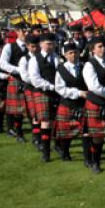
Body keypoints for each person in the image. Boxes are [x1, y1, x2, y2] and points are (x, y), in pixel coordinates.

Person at [82, 37, 105, 173]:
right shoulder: (89, 65)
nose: (103, 49)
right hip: (96, 102)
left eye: (104, 46)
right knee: (98, 136)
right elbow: (94, 86)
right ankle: (95, 162)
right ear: (92, 49)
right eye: (100, 47)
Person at [28, 33, 61, 161]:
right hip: (42, 92)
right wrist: (52, 86)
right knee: (45, 122)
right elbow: (35, 80)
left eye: (53, 44)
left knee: (55, 122)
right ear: (41, 44)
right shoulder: (34, 59)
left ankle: (57, 146)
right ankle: (46, 153)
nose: (51, 46)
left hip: (56, 92)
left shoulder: (57, 57)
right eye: (48, 44)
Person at [53, 42, 88, 162]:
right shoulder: (61, 69)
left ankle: (88, 157)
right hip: (67, 104)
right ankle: (65, 152)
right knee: (66, 133)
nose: (73, 55)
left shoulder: (84, 67)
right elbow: (59, 88)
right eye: (70, 53)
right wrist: (78, 93)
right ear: (65, 55)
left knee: (86, 131)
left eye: (75, 52)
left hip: (82, 104)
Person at [0, 23, 29, 141]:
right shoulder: (9, 47)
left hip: (30, 80)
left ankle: (37, 137)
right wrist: (19, 70)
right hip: (16, 79)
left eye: (27, 31)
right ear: (17, 31)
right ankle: (19, 132)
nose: (26, 34)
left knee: (30, 109)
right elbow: (3, 64)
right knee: (17, 110)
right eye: (24, 31)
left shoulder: (31, 46)